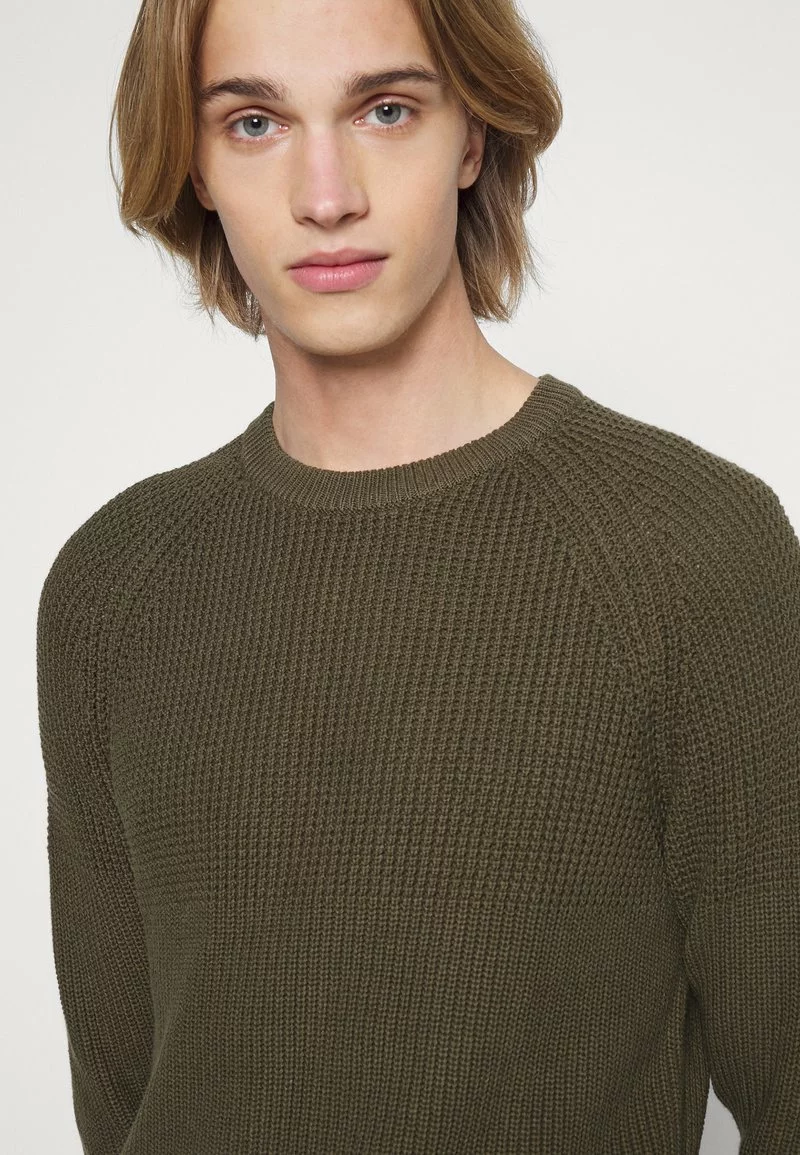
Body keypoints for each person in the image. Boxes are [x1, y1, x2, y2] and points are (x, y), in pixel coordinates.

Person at [35, 0, 799, 1151]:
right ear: (193, 165)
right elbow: (122, 1095)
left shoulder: (690, 551)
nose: (326, 194)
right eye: (253, 123)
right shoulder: (113, 589)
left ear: (472, 135)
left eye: (385, 110)